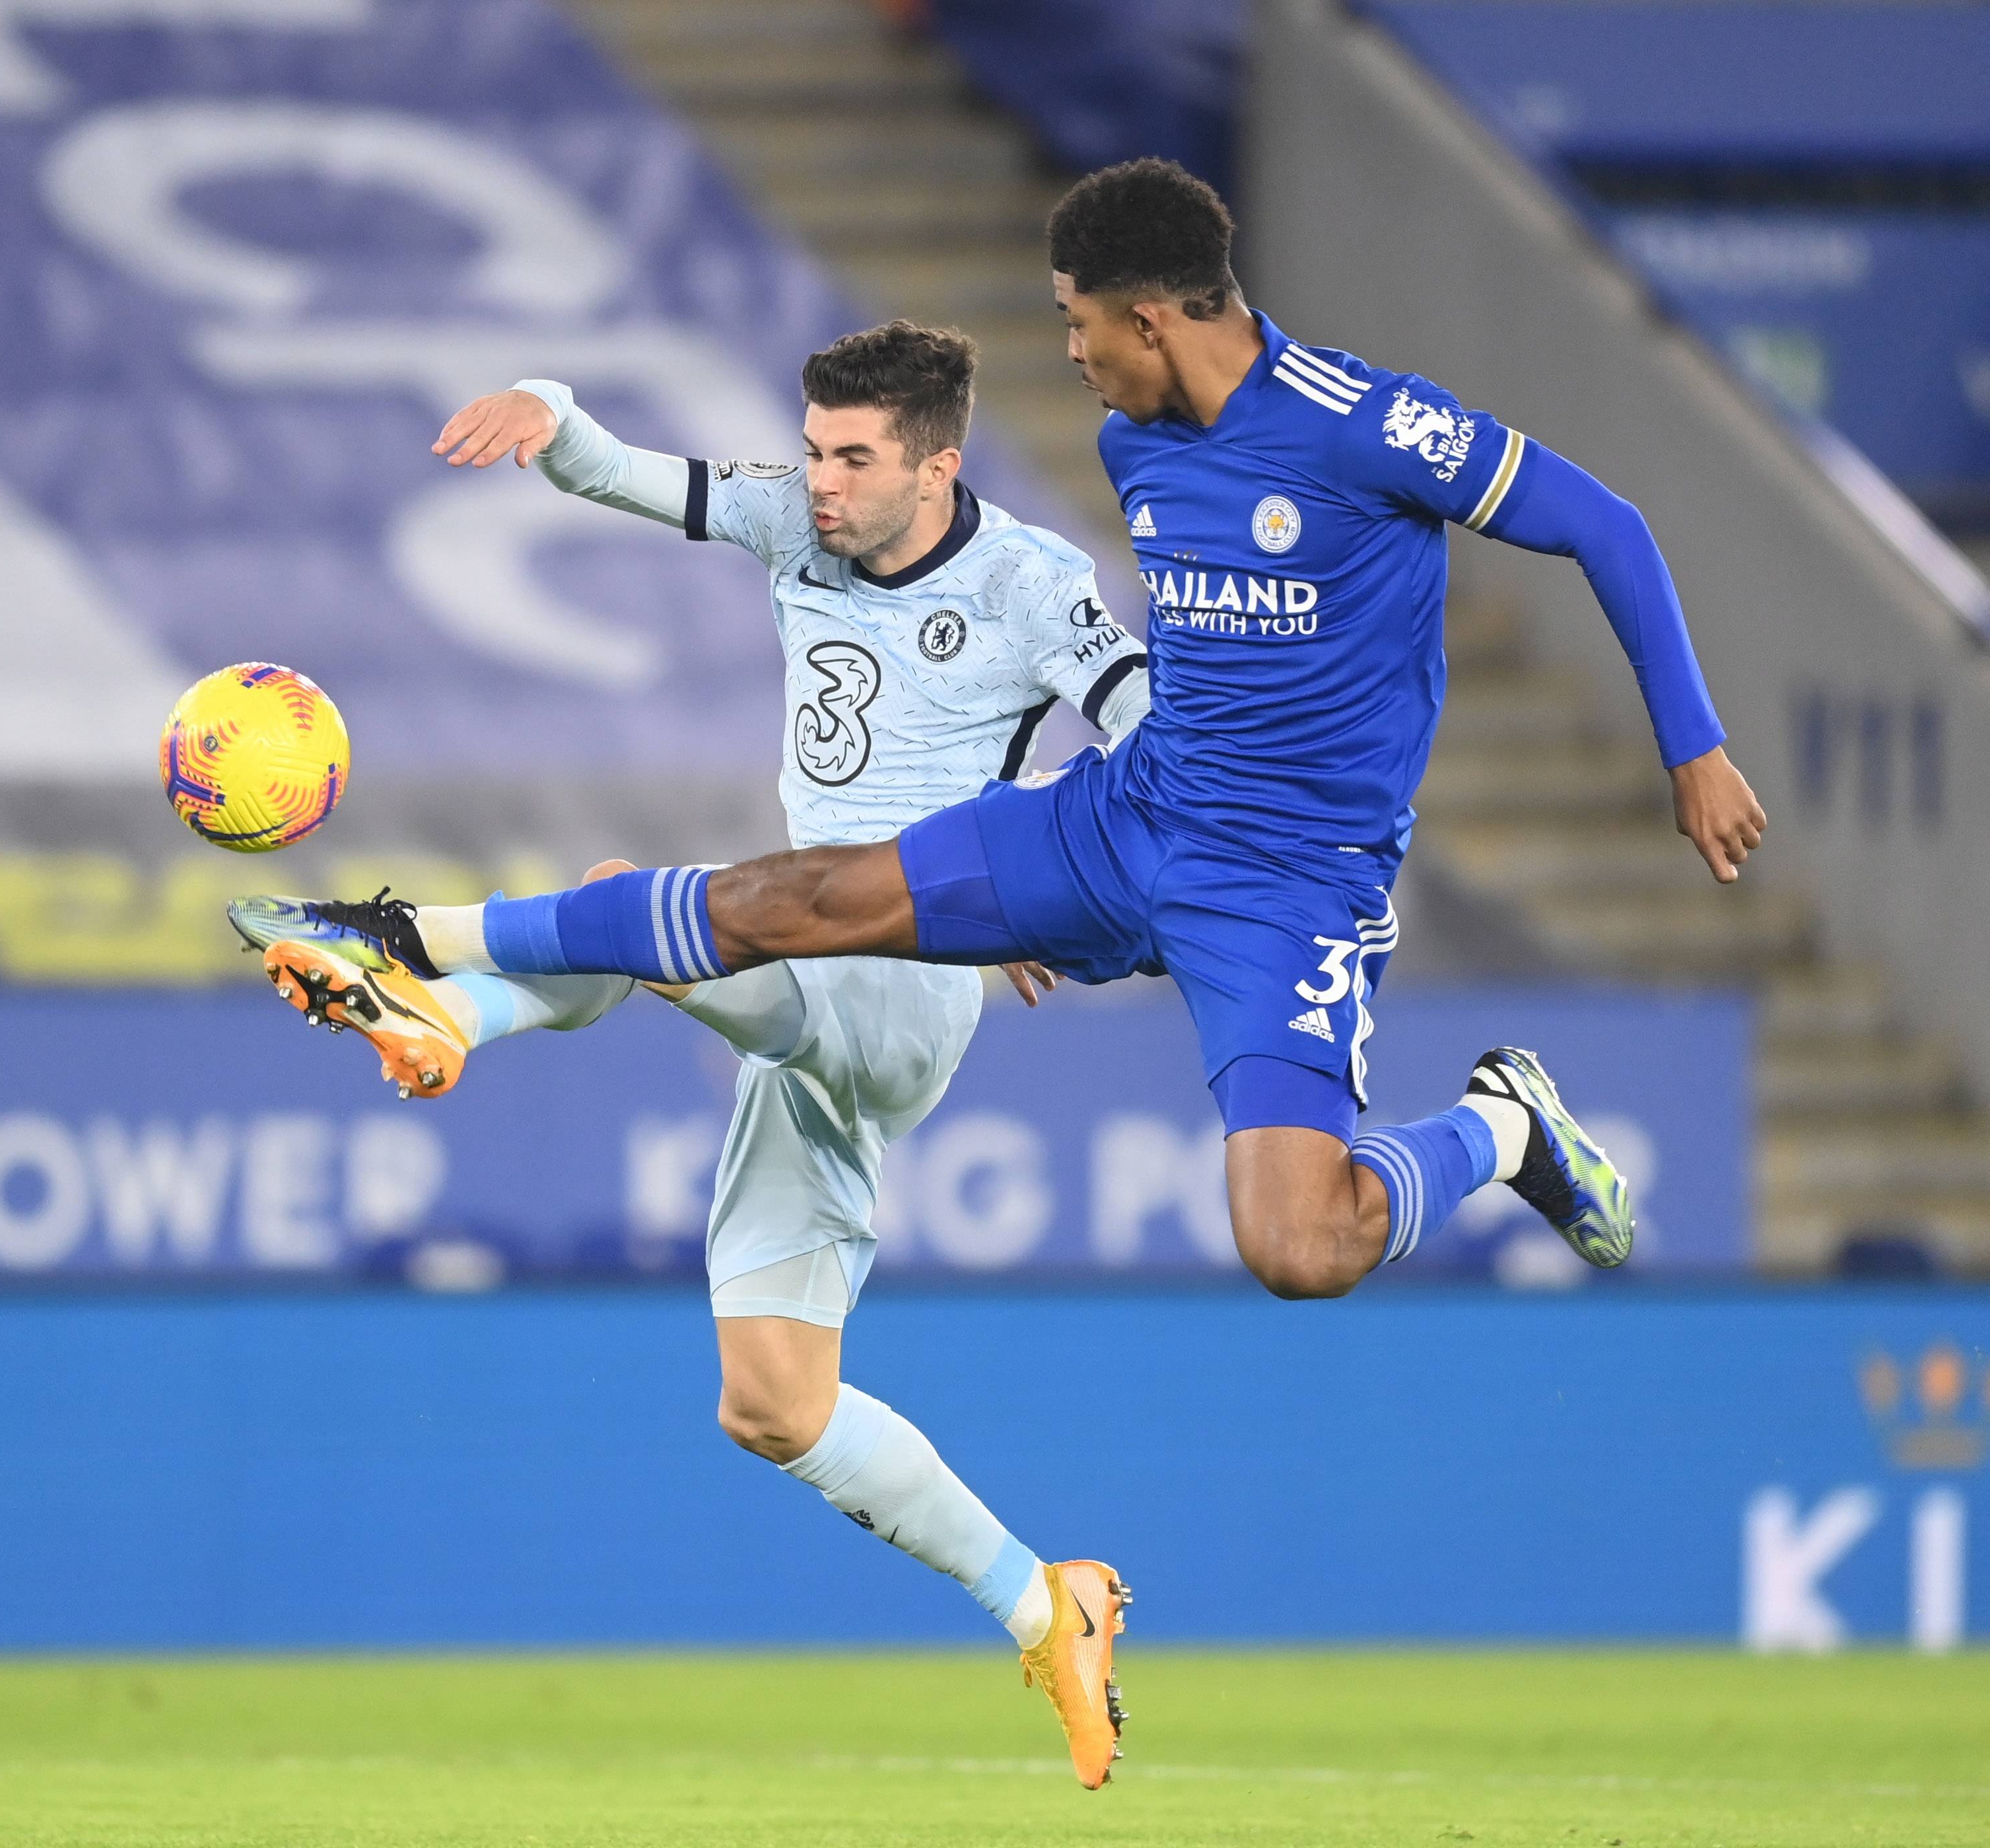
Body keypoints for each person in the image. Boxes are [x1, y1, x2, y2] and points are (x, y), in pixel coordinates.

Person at [257, 159, 1766, 1301]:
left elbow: (1607, 525)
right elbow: (1178, 680)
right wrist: (1047, 885)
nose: (1068, 354)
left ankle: (1502, 1127)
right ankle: (402, 932)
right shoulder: (1133, 437)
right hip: (1123, 817)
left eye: (1075, 322)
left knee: (1300, 1248)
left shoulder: (1367, 426)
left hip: (1285, 883)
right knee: (802, 894)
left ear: (1152, 315)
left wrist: (1688, 744)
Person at [230, 320, 1143, 1788]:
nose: (821, 481)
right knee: (770, 1400)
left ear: (937, 463)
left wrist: (1039, 870)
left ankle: (423, 974)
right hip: (798, 982)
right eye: (815, 446)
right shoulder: (798, 518)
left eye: (853, 458)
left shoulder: (1037, 584)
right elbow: (621, 476)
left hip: (900, 983)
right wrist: (552, 408)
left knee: (633, 908)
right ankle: (1045, 1598)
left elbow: (1153, 741)